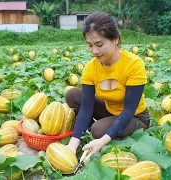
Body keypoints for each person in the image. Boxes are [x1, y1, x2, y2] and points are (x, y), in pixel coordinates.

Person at [65, 12, 150, 159]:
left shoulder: (134, 64)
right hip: (110, 110)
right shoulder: (91, 68)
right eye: (90, 45)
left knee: (98, 131)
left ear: (115, 39)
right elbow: (86, 107)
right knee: (72, 95)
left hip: (135, 117)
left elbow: (129, 111)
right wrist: (73, 143)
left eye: (99, 44)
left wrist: (103, 139)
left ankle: (102, 132)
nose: (94, 51)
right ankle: (96, 129)